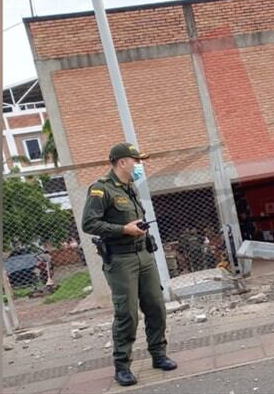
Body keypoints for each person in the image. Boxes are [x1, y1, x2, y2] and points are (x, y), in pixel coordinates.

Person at [81, 143, 177, 387]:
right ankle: (122, 366)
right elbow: (89, 224)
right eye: (135, 160)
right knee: (127, 314)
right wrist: (124, 229)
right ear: (122, 162)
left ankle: (158, 354)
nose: (138, 165)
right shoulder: (101, 190)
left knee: (156, 305)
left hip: (144, 255)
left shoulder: (130, 188)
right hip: (121, 259)